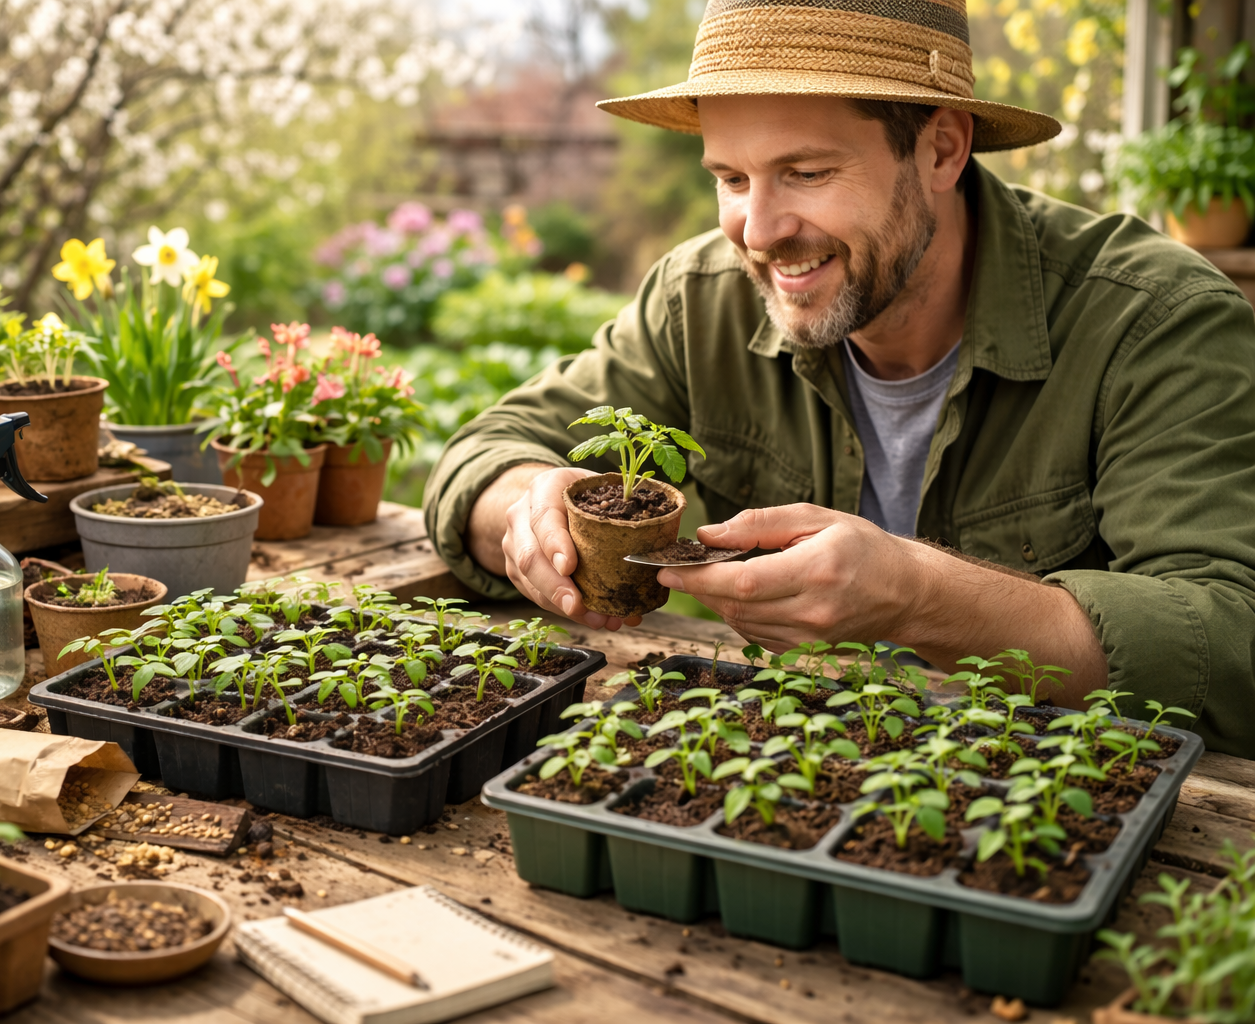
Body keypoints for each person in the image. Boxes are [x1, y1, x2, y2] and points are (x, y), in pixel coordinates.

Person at [422, 0, 1255, 756]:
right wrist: (529, 505)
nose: (759, 229)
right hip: (775, 771)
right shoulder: (698, 298)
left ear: (941, 148)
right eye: (730, 179)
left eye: (808, 173)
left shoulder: (1153, 320)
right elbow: (484, 455)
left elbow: (1232, 642)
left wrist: (918, 595)